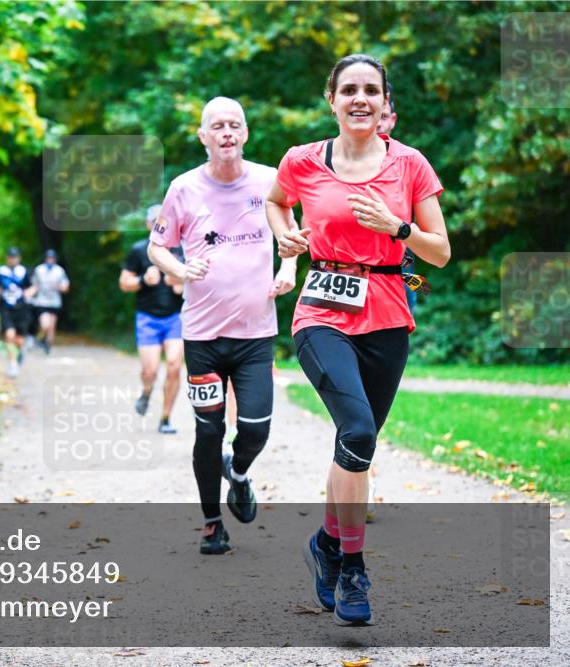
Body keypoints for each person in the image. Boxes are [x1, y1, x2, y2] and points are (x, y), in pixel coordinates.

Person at [266, 54, 450, 625]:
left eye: (371, 89)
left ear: (383, 100)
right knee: (359, 429)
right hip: (322, 311)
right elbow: (275, 201)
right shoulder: (302, 161)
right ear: (332, 99)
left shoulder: (410, 164)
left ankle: (324, 543)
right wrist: (286, 237)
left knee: (356, 447)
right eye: (349, 89)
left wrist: (397, 228)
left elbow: (439, 252)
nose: (360, 99)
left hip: (388, 314)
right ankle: (351, 565)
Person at [147, 96, 298, 556]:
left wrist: (288, 268)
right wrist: (178, 269)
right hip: (202, 336)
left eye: (235, 124)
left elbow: (289, 233)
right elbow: (158, 247)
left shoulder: (270, 180)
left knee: (255, 427)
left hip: (255, 333)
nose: (227, 131)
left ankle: (240, 472)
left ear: (245, 133)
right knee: (208, 431)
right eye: (218, 125)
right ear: (203, 136)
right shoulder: (184, 188)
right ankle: (213, 523)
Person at [119, 205, 185, 436]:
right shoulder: (139, 251)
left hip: (176, 318)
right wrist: (142, 280)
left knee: (175, 367)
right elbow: (124, 283)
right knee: (150, 370)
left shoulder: (181, 250)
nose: (159, 225)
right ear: (149, 225)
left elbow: (196, 282)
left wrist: (179, 283)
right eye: (154, 221)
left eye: (163, 221)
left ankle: (165, 418)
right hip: (147, 318)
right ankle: (147, 393)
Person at [375, 82, 419, 316]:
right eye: (375, 115)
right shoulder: (339, 158)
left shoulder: (410, 161)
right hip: (351, 262)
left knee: (407, 310)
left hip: (402, 262)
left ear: (393, 120)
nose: (378, 121)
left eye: (383, 116)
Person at [0, 247, 36, 378]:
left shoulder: (24, 271)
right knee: (9, 335)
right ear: (7, 258)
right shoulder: (1, 272)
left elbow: (33, 286)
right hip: (5, 307)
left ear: (19, 258)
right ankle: (12, 363)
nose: (13, 259)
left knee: (19, 340)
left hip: (22, 307)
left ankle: (19, 351)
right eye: (11, 257)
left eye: (15, 257)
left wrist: (29, 293)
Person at [30, 249, 70, 354]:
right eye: (48, 258)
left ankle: (47, 345)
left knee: (52, 327)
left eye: (52, 258)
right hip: (42, 302)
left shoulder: (59, 271)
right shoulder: (39, 270)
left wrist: (62, 287)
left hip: (55, 302)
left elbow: (65, 285)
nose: (50, 260)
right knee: (45, 324)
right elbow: (34, 285)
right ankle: (40, 338)